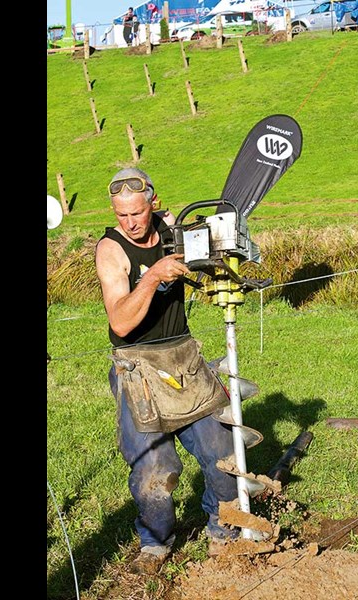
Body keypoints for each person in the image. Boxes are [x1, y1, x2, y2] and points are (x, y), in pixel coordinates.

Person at [95, 167, 239, 575]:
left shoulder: (173, 229)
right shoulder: (111, 250)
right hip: (137, 365)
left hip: (184, 358)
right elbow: (121, 322)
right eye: (122, 215)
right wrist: (153, 276)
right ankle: (156, 542)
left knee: (223, 454)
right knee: (155, 471)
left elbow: (211, 258)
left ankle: (223, 531)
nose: (131, 223)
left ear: (152, 204)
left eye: (138, 213)